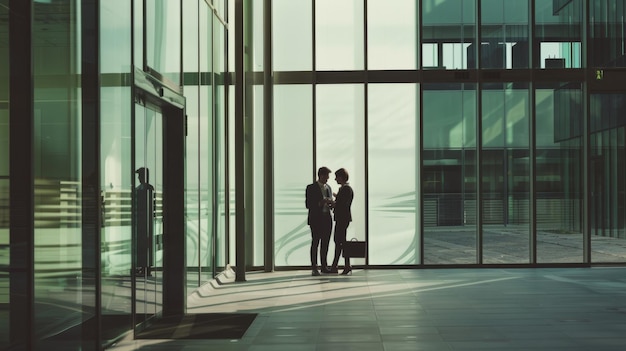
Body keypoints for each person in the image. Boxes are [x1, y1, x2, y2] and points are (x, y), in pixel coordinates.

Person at [305, 166, 334, 276]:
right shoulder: (311, 188)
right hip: (316, 219)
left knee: (325, 243)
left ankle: (324, 266)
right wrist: (320, 203)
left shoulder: (329, 188)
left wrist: (331, 204)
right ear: (321, 175)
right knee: (315, 242)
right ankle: (314, 267)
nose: (328, 178)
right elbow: (308, 204)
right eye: (327, 176)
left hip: (327, 218)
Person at [330, 168, 354, 275]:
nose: (335, 179)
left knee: (340, 242)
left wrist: (334, 202)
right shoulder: (346, 189)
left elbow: (342, 205)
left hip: (342, 218)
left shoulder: (345, 189)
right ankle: (339, 265)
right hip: (343, 218)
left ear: (341, 177)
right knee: (340, 241)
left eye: (337, 177)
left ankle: (341, 265)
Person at [134, 167, 155, 277]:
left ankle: (145, 267)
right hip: (142, 222)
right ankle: (142, 266)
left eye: (140, 175)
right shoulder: (141, 189)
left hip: (145, 222)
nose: (138, 178)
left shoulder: (147, 189)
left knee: (145, 245)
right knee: (142, 245)